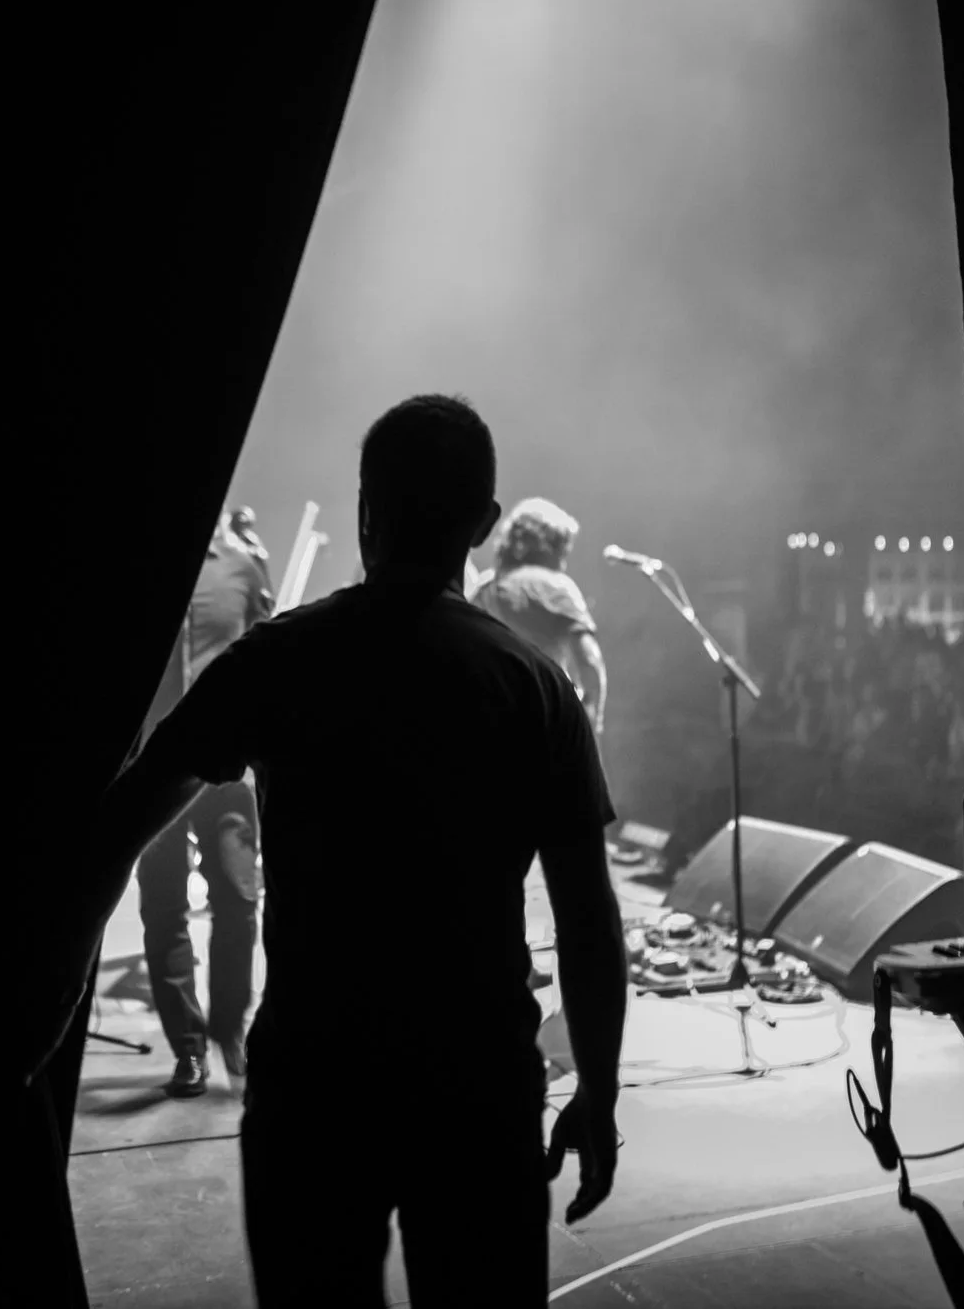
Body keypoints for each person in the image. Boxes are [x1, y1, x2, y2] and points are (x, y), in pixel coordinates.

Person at [62, 395, 627, 1306]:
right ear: (482, 527)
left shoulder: (278, 659)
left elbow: (122, 821)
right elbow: (590, 923)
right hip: (475, 1090)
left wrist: (42, 1002)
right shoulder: (536, 690)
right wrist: (597, 1093)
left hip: (316, 1088)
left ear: (365, 506)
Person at [134, 508, 277, 1097]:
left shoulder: (242, 569)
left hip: (227, 769)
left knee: (238, 901)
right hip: (155, 766)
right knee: (163, 909)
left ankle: (229, 1030)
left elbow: (272, 658)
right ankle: (187, 1050)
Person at [473, 497, 608, 739]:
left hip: (489, 718)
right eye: (563, 550)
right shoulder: (555, 586)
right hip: (547, 715)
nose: (564, 561)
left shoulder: (483, 588)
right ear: (550, 546)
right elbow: (589, 660)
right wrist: (591, 718)